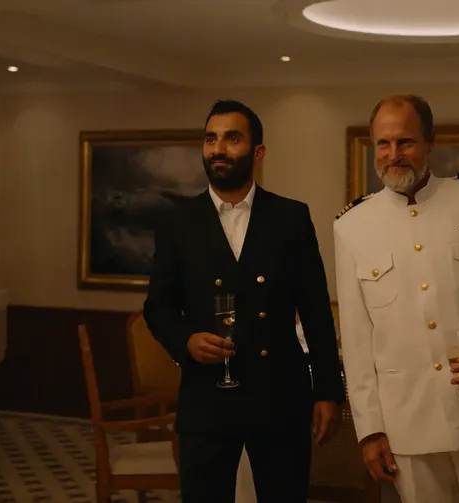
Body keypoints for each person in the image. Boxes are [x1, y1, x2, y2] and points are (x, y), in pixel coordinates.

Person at [332, 94, 459, 503]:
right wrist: (369, 430)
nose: (394, 154)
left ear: (430, 142)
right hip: (407, 426)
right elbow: (356, 342)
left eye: (405, 142)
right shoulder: (351, 226)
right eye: (384, 144)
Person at [143, 99, 345, 502]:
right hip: (206, 399)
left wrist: (327, 391)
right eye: (210, 139)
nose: (218, 149)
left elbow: (316, 310)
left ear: (258, 151)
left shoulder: (290, 217)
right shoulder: (177, 221)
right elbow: (158, 307)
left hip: (279, 397)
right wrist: (186, 340)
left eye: (232, 138)